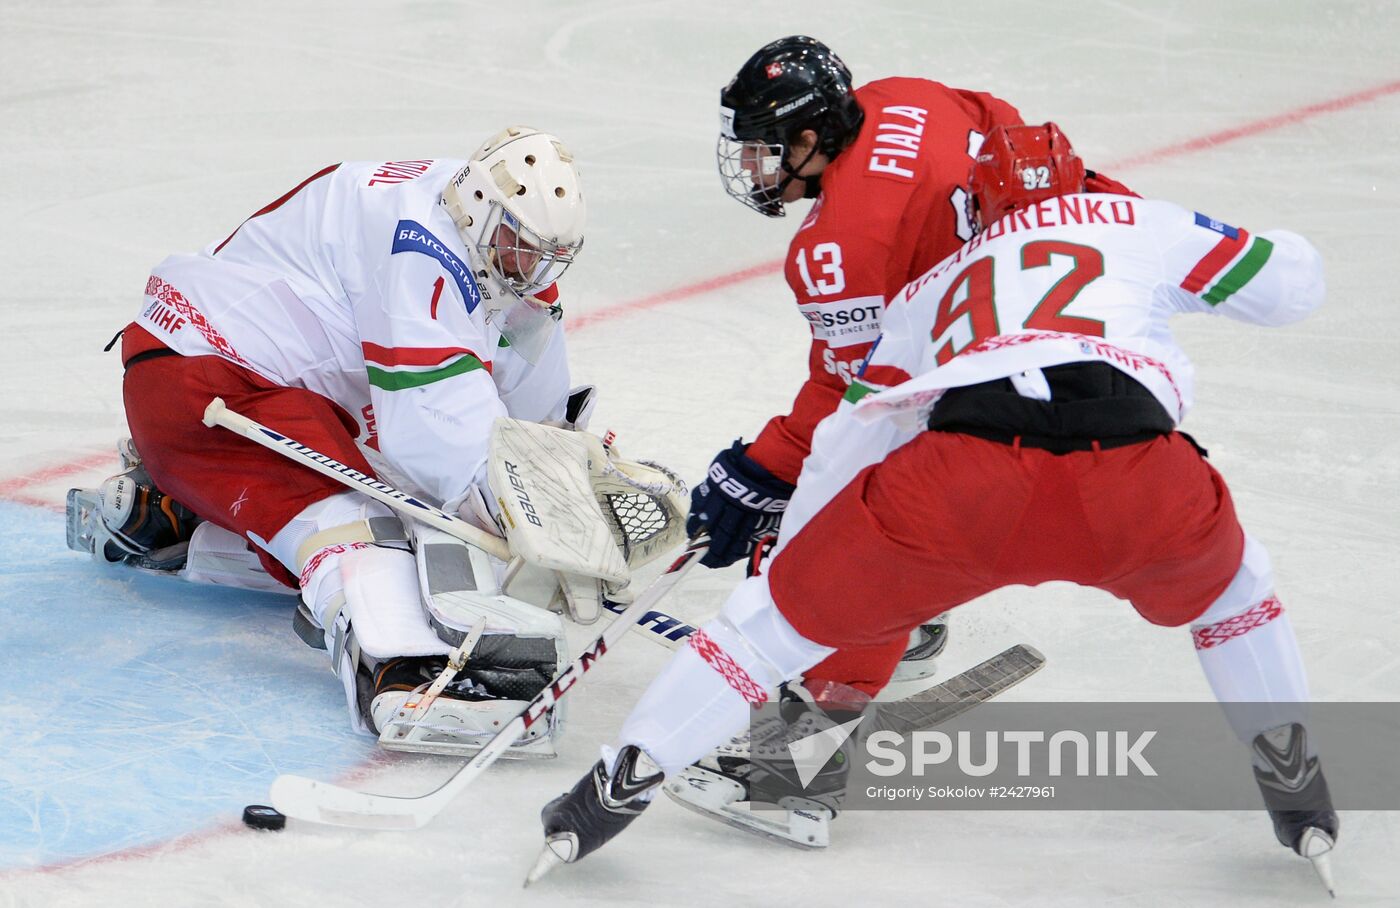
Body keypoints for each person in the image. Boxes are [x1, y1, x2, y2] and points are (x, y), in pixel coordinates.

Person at [532, 122, 1338, 883]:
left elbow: (854, 434)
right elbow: (1296, 284)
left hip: (960, 485)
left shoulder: (934, 284)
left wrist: (800, 570)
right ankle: (1298, 786)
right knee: (1238, 595)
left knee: (762, 630)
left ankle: (611, 789)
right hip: (1131, 476)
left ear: (975, 205)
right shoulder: (1135, 221)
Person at [679, 34, 1136, 828]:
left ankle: (794, 776)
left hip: (1015, 384)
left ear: (813, 139)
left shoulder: (837, 247)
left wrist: (764, 468)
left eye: (765, 148)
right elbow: (1014, 135)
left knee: (858, 528)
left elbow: (854, 395)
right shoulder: (905, 93)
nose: (754, 168)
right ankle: (915, 618)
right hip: (1096, 292)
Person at [70, 127, 595, 754]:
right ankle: (409, 675)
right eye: (519, 247)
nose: (530, 265)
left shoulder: (499, 230)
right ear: (483, 209)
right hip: (208, 389)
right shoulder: (421, 246)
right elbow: (435, 433)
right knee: (376, 533)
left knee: (425, 525)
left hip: (281, 393)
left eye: (543, 254)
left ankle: (178, 521)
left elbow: (528, 403)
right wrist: (532, 519)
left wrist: (567, 477)